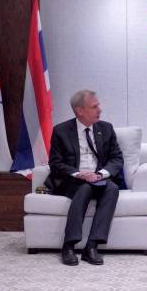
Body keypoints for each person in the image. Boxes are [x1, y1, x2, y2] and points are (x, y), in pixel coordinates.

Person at [45, 90, 124, 266]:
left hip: (100, 178)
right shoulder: (61, 131)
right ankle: (69, 245)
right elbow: (55, 163)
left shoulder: (106, 128)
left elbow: (117, 159)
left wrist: (100, 174)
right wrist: (79, 174)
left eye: (98, 106)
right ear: (80, 111)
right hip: (73, 180)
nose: (100, 110)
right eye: (94, 107)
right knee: (85, 188)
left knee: (112, 189)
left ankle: (92, 246)